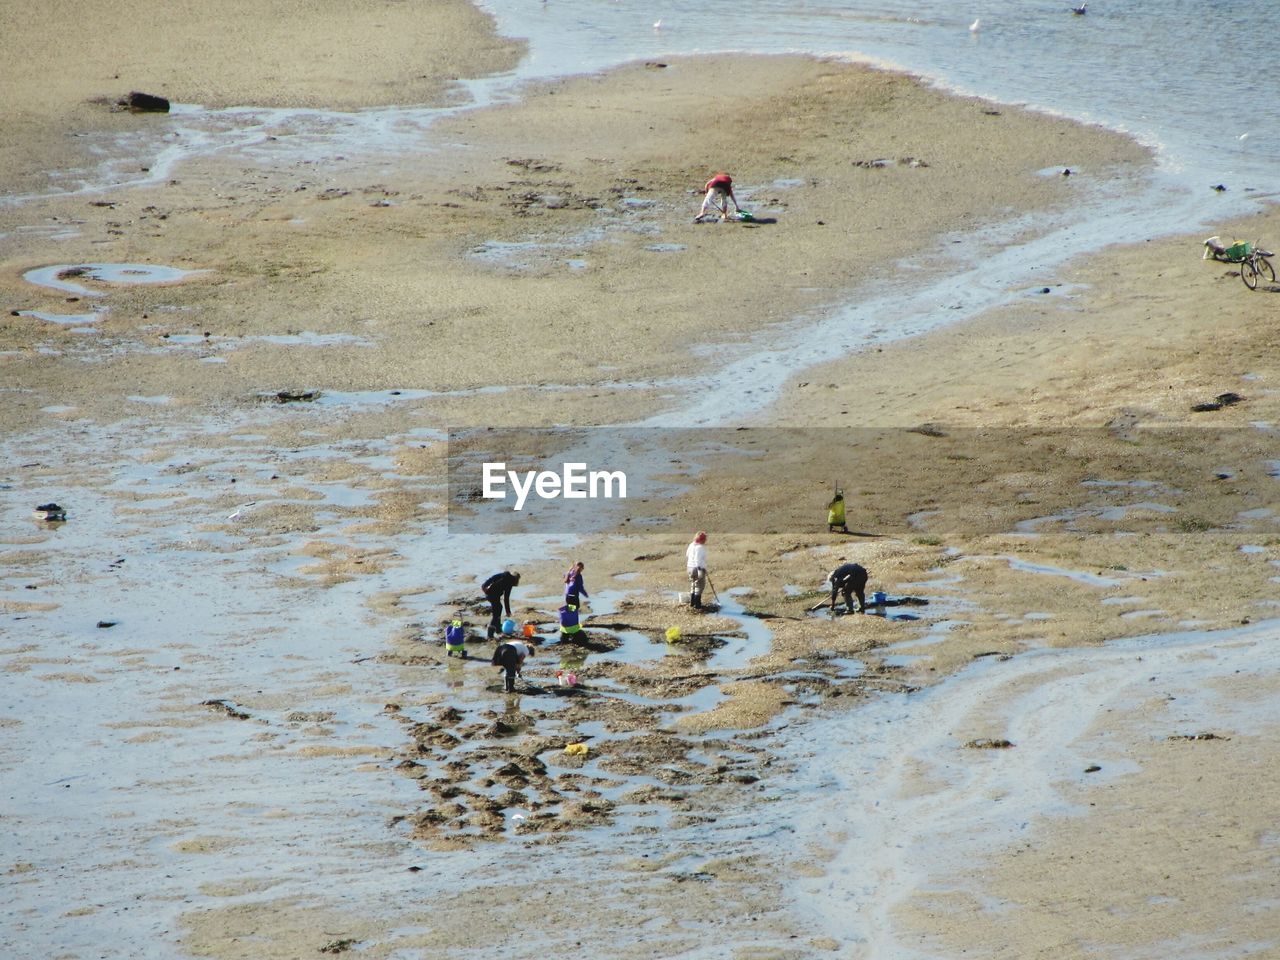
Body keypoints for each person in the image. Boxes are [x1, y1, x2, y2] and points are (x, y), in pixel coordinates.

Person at [480, 570, 520, 640]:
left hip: (488, 592)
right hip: (493, 596)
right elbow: (506, 598)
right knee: (496, 614)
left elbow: (489, 581)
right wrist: (508, 612)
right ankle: (490, 634)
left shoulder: (501, 575)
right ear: (515, 579)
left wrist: (485, 588)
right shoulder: (509, 582)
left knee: (499, 608)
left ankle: (498, 629)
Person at [686, 531, 709, 609]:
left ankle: (692, 603)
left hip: (689, 567)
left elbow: (687, 555)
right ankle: (697, 605)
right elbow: (698, 560)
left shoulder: (691, 545)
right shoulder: (700, 548)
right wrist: (702, 568)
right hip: (698, 568)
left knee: (693, 584)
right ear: (703, 540)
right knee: (699, 586)